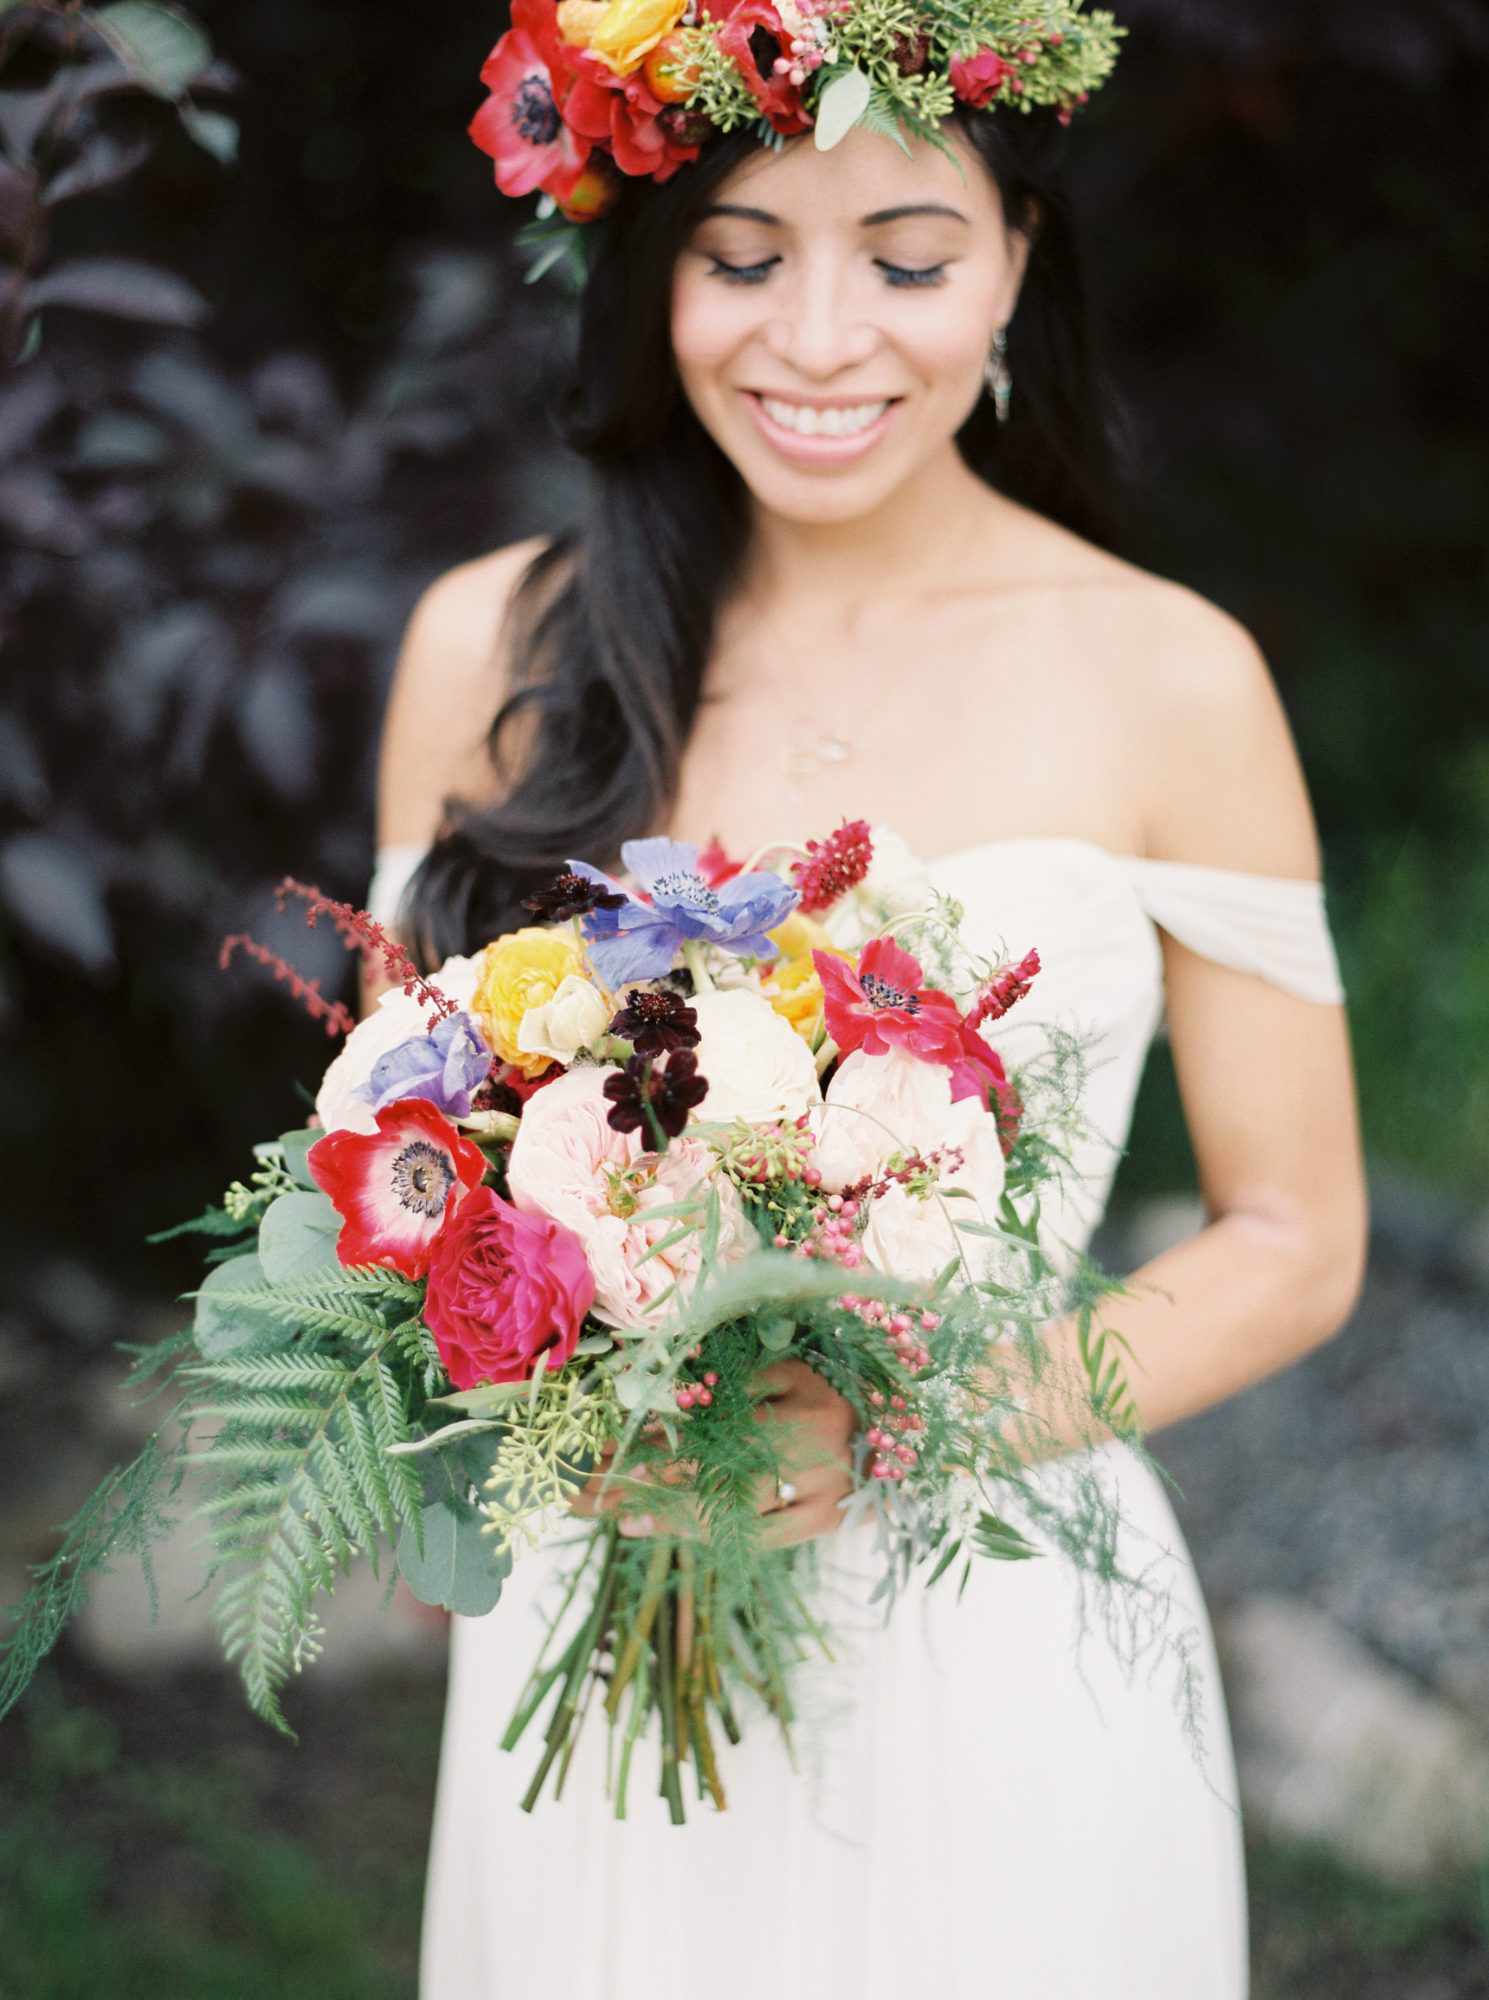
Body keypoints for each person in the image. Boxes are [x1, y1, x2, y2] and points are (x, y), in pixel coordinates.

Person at [360, 46, 1368, 1998]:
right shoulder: (488, 646)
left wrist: (892, 1427)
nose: (819, 340)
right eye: (742, 257)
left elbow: (1293, 1237)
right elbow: (399, 1169)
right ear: (651, 272)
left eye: (905, 261)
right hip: (591, 1591)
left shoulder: (1171, 679)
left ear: (1014, 264)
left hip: (990, 1611)